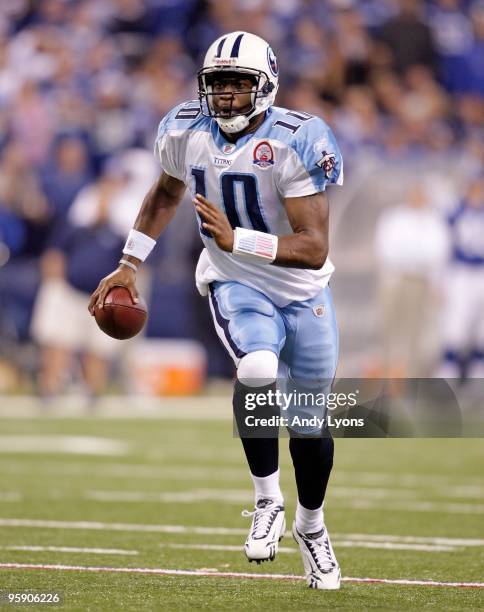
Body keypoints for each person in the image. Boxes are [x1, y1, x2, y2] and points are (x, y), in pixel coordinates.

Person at [89, 31, 343, 590]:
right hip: (235, 284)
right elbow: (163, 195)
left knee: (310, 426)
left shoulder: (296, 140)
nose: (226, 97)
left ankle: (312, 526)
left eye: (239, 85)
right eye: (218, 85)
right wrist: (130, 262)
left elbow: (314, 247)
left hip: (302, 290)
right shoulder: (184, 130)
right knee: (254, 369)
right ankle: (266, 501)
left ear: (267, 86)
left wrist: (238, 240)